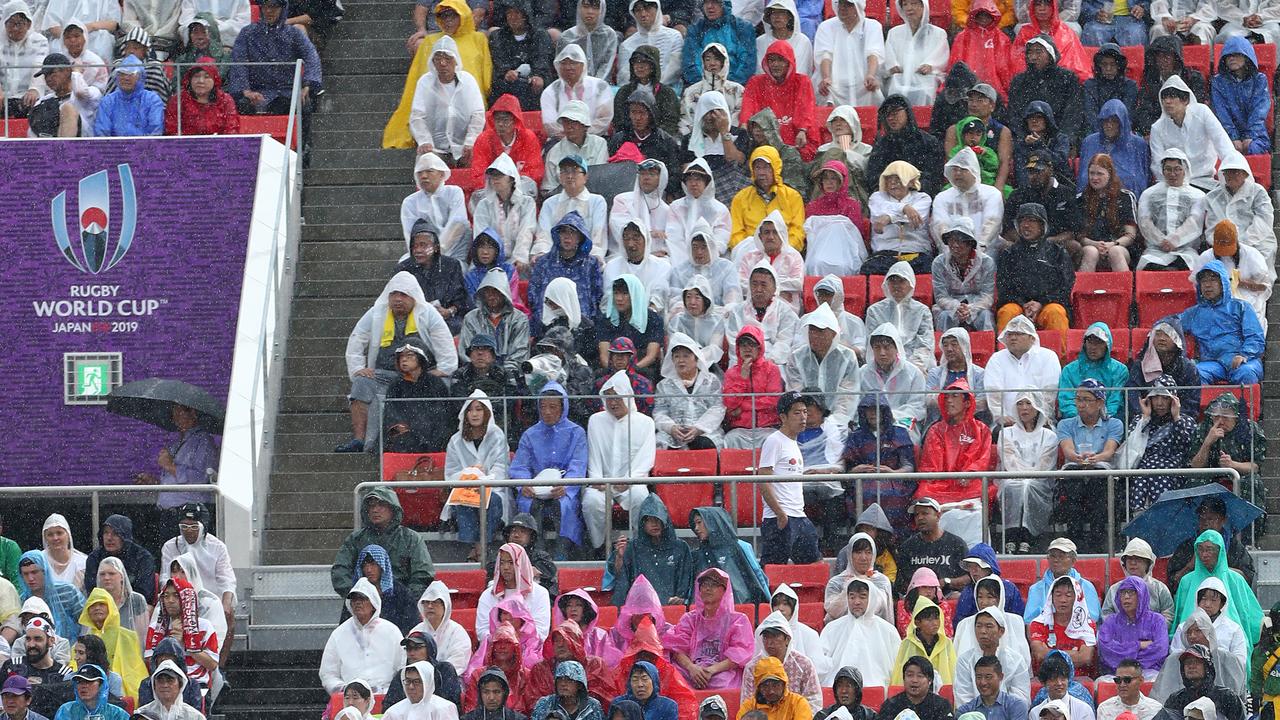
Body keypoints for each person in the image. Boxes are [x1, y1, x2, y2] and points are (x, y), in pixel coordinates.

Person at [336, 272, 456, 452]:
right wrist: (358, 368)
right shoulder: (377, 313)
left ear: (413, 296)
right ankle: (359, 440)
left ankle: (437, 442)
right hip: (386, 374)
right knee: (361, 383)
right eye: (394, 294)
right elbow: (357, 337)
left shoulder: (427, 313)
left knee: (444, 384)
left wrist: (444, 368)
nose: (398, 299)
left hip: (421, 376)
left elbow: (444, 341)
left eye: (403, 295)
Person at [509, 383, 589, 560]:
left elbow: (578, 465)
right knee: (526, 503)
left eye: (552, 407)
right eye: (543, 406)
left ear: (563, 407)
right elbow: (520, 466)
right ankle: (535, 552)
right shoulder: (530, 434)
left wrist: (566, 486)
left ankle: (563, 552)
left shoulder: (576, 433)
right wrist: (524, 485)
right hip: (535, 488)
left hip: (563, 488)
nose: (547, 412)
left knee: (566, 504)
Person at [331, 488, 435, 601]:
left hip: (400, 603)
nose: (375, 510)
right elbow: (340, 570)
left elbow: (422, 574)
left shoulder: (411, 538)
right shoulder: (356, 539)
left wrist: (405, 599)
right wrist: (356, 594)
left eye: (381, 505)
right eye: (371, 506)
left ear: (393, 509)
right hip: (363, 602)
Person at [916, 379, 995, 516]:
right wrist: (940, 478)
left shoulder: (981, 430)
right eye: (946, 397)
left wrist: (968, 474)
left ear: (967, 402)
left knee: (981, 491)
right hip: (940, 483)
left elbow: (982, 459)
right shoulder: (936, 430)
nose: (949, 401)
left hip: (968, 482)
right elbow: (931, 462)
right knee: (924, 492)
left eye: (954, 396)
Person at [1182, 260, 1265, 386]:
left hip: (1242, 360)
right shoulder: (1194, 313)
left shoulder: (1241, 307)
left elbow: (1255, 337)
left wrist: (1244, 354)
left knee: (1246, 372)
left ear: (1223, 283)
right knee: (1195, 372)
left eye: (1213, 280)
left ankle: (1245, 406)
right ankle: (1207, 406)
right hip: (1212, 363)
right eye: (1204, 281)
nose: (1207, 285)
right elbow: (1171, 323)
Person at [993, 393, 1058, 553]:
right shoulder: (1005, 433)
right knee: (1015, 485)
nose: (1024, 408)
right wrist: (1024, 476)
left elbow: (1046, 464)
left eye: (1028, 403)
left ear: (1037, 407)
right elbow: (1009, 461)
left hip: (1040, 481)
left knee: (1029, 486)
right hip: (1012, 478)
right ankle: (1011, 535)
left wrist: (1028, 476)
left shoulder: (1049, 435)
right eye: (1020, 404)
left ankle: (1027, 536)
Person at [994, 204, 1074, 334]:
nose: (1026, 225)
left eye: (1031, 220)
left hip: (1048, 305)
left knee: (1056, 312)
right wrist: (1023, 304)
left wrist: (1041, 303)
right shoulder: (1009, 254)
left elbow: (1065, 287)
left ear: (1043, 225)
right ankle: (1004, 353)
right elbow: (1004, 288)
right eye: (1022, 221)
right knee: (1007, 312)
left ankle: (1060, 355)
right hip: (1018, 306)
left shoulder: (1057, 252)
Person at [840, 398, 917, 531]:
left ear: (884, 412)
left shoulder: (899, 433)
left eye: (876, 410)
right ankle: (866, 534)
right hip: (863, 482)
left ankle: (892, 536)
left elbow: (909, 466)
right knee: (865, 495)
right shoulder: (856, 437)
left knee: (890, 496)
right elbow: (847, 470)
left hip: (893, 483)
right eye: (868, 410)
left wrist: (892, 473)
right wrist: (856, 470)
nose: (872, 414)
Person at [407, 35, 485, 166]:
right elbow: (417, 117)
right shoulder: (425, 83)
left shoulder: (468, 81)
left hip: (464, 148)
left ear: (456, 61)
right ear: (433, 62)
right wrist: (425, 141)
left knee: (477, 160)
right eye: (438, 59)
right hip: (434, 148)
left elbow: (478, 115)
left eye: (448, 59)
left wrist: (470, 142)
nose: (443, 63)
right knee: (425, 161)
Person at [1148, 78, 1234, 191]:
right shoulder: (1157, 128)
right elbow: (1157, 164)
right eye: (1164, 98)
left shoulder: (1202, 113)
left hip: (1205, 182)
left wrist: (1233, 171)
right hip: (1173, 185)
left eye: (1172, 97)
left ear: (1185, 100)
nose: (1167, 102)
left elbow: (1223, 144)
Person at [528, 212, 604, 339]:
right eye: (563, 231)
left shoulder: (591, 264)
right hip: (547, 327)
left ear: (580, 237)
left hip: (582, 329)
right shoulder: (543, 263)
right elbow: (534, 296)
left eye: (572, 232)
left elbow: (596, 297)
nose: (567, 237)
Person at [739, 41, 819, 161]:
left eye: (780, 60)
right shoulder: (756, 82)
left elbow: (806, 109)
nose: (775, 64)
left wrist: (802, 130)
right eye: (771, 60)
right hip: (765, 139)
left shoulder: (802, 81)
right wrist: (745, 124)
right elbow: (748, 106)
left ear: (789, 62)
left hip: (796, 138)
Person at [819, 578, 901, 687]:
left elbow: (897, 665)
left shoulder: (887, 630)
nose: (856, 602)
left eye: (862, 597)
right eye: (852, 597)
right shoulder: (832, 628)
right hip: (837, 688)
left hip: (878, 688)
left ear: (871, 598)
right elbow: (821, 663)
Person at [786, 305, 859, 428]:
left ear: (833, 333)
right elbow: (795, 393)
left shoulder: (847, 357)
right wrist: (807, 418)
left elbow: (847, 398)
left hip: (840, 424)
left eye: (821, 331)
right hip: (804, 422)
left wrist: (832, 423)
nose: (815, 336)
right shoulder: (796, 357)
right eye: (812, 330)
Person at [986, 315, 1063, 430]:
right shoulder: (997, 359)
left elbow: (1049, 394)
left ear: (1032, 338)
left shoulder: (1048, 357)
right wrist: (1000, 416)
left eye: (1019, 334)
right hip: (1007, 423)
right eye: (1010, 334)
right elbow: (993, 392)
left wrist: (1039, 417)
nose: (1013, 338)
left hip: (1040, 421)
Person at [143, 579, 220, 692]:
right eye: (166, 596)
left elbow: (212, 664)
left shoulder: (204, 626)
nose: (170, 601)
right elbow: (150, 662)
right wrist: (170, 645)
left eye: (176, 596)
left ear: (187, 599)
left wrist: (187, 643)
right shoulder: (155, 628)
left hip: (197, 685)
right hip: (164, 685)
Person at [1202, 153, 1277, 267]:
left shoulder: (1257, 192)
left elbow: (1264, 220)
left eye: (1236, 172)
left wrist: (1244, 242)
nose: (1231, 175)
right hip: (1224, 244)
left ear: (1245, 174)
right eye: (1228, 172)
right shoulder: (1213, 197)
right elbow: (1212, 227)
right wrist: (1226, 243)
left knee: (1258, 264)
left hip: (1258, 241)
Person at [857, 324, 927, 445]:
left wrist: (889, 417)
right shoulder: (862, 373)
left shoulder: (913, 373)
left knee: (903, 435)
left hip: (901, 421)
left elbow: (917, 406)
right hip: (869, 422)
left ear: (897, 348)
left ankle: (906, 464)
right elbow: (855, 403)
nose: (882, 353)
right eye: (877, 347)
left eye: (887, 347)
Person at [1136, 148, 1205, 271]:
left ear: (1185, 170)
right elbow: (1144, 222)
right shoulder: (1149, 194)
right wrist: (1161, 241)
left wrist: (1175, 240)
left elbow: (1194, 222)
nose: (1172, 174)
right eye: (1168, 169)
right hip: (1155, 250)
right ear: (1162, 171)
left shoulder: (1197, 195)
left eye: (1177, 169)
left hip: (1186, 250)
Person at [1193, 220, 1274, 324]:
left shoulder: (1252, 255)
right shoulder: (1206, 257)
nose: (1225, 254)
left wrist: (1241, 283)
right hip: (1215, 306)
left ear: (1236, 241)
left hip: (1249, 305)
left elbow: (1264, 287)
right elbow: (1197, 284)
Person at [381, 338, 454, 453]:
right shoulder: (396, 385)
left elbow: (444, 414)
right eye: (401, 357)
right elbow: (392, 413)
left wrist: (430, 430)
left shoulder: (435, 383)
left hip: (434, 435)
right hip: (406, 437)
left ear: (421, 359)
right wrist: (405, 429)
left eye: (409, 356)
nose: (404, 360)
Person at [653, 333, 724, 451]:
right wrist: (671, 428)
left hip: (705, 432)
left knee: (705, 445)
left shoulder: (711, 381)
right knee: (660, 446)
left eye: (686, 356)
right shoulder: (663, 385)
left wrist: (699, 428)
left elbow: (718, 408)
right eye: (677, 356)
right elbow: (660, 412)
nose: (681, 360)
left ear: (696, 359)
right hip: (673, 434)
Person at [866, 96, 946, 197]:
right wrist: (893, 187)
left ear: (907, 113)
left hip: (920, 196)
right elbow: (873, 176)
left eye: (895, 113)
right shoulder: (882, 145)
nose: (890, 118)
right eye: (887, 115)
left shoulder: (928, 142)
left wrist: (910, 186)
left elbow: (935, 178)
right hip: (889, 198)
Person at [865, 263, 936, 374]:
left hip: (917, 367)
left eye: (901, 281)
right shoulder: (874, 310)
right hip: (884, 364)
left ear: (911, 283)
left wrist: (912, 368)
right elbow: (872, 344)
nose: (896, 285)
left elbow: (925, 344)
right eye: (892, 281)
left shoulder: (922, 311)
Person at [75, 590, 146, 700]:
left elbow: (134, 668)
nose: (97, 608)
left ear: (111, 607)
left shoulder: (128, 636)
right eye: (93, 605)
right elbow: (75, 663)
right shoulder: (83, 639)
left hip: (119, 686)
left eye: (101, 604)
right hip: (87, 684)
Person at [812, 0, 884, 107]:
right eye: (840, 3)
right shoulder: (826, 26)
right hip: (835, 82)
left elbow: (873, 53)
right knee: (826, 90)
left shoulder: (872, 26)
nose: (842, 8)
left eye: (848, 5)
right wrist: (826, 77)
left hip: (864, 80)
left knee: (872, 88)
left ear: (858, 6)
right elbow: (825, 55)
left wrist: (870, 75)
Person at [895, 498, 970, 598]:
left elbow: (969, 577)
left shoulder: (956, 544)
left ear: (938, 516)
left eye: (925, 513)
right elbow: (901, 582)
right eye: (917, 514)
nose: (920, 518)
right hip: (917, 600)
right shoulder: (908, 547)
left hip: (948, 597)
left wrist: (947, 582)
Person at [955, 609, 1033, 706]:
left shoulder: (1016, 660)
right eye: (979, 626)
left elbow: (1021, 697)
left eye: (989, 626)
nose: (983, 631)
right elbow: (963, 696)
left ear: (1001, 631)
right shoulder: (964, 660)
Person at [530, 620, 617, 707]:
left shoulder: (595, 665)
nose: (560, 645)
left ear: (577, 643)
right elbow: (534, 703)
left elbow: (606, 699)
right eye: (556, 641)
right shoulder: (540, 669)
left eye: (565, 640)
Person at [1077, 154, 1140, 272]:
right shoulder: (1080, 199)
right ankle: (1083, 290)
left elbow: (1130, 235)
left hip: (1119, 247)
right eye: (1092, 173)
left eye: (1100, 174)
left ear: (1110, 175)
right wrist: (1095, 244)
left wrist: (1112, 244)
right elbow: (1079, 236)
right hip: (1091, 246)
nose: (1094, 178)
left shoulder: (1126, 197)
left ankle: (1124, 289)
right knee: (1091, 252)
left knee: (1115, 252)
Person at [476, 545, 552, 642]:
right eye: (502, 563)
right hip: (497, 650)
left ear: (522, 564)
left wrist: (515, 639)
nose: (506, 567)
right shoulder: (489, 594)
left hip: (530, 652)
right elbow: (482, 631)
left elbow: (541, 632)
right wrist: (503, 639)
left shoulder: (540, 593)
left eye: (511, 563)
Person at [1126, 319, 1200, 418]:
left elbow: (1191, 406)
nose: (1161, 338)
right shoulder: (1140, 366)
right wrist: (1147, 418)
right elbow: (1133, 398)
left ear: (1177, 340)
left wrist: (1171, 419)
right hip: (1145, 420)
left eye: (1167, 335)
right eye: (1158, 334)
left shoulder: (1188, 369)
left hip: (1177, 422)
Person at [931, 221, 996, 334]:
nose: (955, 245)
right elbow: (940, 295)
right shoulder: (939, 262)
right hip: (949, 305)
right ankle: (942, 348)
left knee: (985, 316)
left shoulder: (986, 262)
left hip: (977, 305)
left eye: (960, 241)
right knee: (944, 316)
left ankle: (987, 346)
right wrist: (956, 307)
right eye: (952, 240)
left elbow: (987, 296)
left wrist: (971, 309)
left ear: (970, 243)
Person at [1098, 577, 1170, 677]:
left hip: (1149, 672)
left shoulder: (1157, 620)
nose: (1126, 597)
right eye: (1123, 592)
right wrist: (1138, 645)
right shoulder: (1110, 622)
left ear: (1142, 594)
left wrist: (1127, 659)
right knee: (1100, 684)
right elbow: (1107, 650)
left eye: (1131, 592)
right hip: (1116, 673)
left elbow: (1160, 650)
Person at [1079, 100, 1150, 199]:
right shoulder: (1089, 143)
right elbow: (1082, 180)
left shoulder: (1138, 145)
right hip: (1092, 203)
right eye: (1106, 120)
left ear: (1122, 122)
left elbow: (1142, 180)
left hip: (1128, 204)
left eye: (1114, 121)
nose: (1109, 125)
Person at [539, 46, 613, 140]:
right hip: (560, 140)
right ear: (557, 66)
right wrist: (569, 137)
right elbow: (550, 125)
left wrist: (581, 136)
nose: (568, 67)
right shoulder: (551, 91)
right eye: (563, 63)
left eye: (573, 63)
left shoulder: (600, 86)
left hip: (596, 138)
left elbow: (603, 120)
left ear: (583, 65)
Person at [881, 0, 947, 106]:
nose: (909, 8)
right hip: (899, 80)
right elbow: (888, 58)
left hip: (926, 80)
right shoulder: (894, 33)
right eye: (905, 5)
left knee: (926, 91)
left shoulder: (938, 33)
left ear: (923, 6)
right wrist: (893, 66)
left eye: (914, 4)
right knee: (894, 90)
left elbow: (941, 57)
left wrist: (931, 66)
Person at [1028, 577, 1098, 676]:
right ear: (1051, 597)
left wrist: (1050, 654)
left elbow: (1085, 658)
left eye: (1068, 595)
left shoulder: (1087, 624)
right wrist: (1074, 654)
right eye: (1058, 595)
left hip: (1079, 679)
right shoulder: (1039, 623)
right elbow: (1039, 654)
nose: (1063, 600)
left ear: (1077, 597)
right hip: (1047, 679)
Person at [1058, 324, 1128, 419]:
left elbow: (1116, 401)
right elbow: (1066, 400)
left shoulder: (1120, 370)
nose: (1093, 347)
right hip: (1074, 422)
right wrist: (1081, 419)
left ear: (1107, 345)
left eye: (1099, 342)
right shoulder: (1069, 370)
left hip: (1108, 421)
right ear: (1084, 344)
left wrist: (1103, 418)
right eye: (1090, 342)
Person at [462, 622, 534, 715]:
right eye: (498, 642)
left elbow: (531, 709)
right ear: (492, 646)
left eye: (507, 642)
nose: (502, 647)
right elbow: (471, 710)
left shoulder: (526, 675)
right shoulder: (478, 674)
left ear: (515, 647)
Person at [1024, 541, 1102, 624]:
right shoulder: (1036, 589)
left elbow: (1093, 619)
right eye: (1053, 556)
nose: (1056, 560)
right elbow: (1030, 622)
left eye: (1061, 556)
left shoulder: (1086, 586)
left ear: (1073, 561)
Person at [26, 52, 99, 139]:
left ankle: (63, 150)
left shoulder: (91, 92)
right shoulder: (43, 101)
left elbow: (80, 91)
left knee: (67, 109)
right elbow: (31, 132)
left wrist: (76, 71)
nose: (48, 79)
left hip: (82, 147)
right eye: (46, 75)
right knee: (40, 108)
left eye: (52, 73)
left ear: (67, 71)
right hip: (49, 147)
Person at [1161, 646, 1246, 720]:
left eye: (1196, 662)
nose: (1191, 666)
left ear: (1207, 666)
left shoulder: (1226, 697)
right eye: (1187, 663)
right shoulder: (1176, 699)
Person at [948, 3, 1014, 98]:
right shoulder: (963, 37)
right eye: (980, 15)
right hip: (967, 84)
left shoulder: (1001, 38)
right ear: (974, 16)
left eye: (987, 15)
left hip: (993, 85)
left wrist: (1007, 87)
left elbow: (1004, 68)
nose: (983, 18)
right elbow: (956, 62)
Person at [465, 227, 530, 321]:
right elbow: (474, 303)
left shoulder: (509, 270)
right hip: (481, 319)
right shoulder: (471, 276)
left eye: (490, 247)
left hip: (509, 315)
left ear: (497, 250)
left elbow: (512, 298)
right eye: (481, 247)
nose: (485, 252)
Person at [893, 596, 960, 688]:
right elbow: (899, 672)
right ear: (917, 623)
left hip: (942, 691)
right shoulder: (908, 643)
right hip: (914, 691)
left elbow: (953, 669)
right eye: (929, 619)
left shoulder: (946, 643)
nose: (935, 623)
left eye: (937, 618)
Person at [1102, 540, 1174, 623]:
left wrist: (1151, 628)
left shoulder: (1159, 588)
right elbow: (1106, 615)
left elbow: (1169, 615)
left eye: (1138, 559)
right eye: (1129, 559)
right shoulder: (1114, 589)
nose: (1133, 563)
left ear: (1148, 563)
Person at [163, 57, 238, 136]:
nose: (200, 81)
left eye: (207, 77)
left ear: (215, 80)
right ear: (190, 79)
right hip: (185, 146)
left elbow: (231, 130)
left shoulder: (225, 100)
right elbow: (171, 131)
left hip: (218, 146)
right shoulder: (178, 100)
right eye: (196, 76)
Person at [616, 0, 682, 87]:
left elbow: (674, 70)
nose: (643, 14)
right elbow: (624, 77)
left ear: (657, 10)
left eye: (648, 8)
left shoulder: (674, 37)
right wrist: (642, 89)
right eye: (638, 10)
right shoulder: (627, 44)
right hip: (636, 94)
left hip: (669, 90)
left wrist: (655, 87)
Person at [92, 56, 162, 137]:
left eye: (131, 74)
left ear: (141, 77)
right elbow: (102, 133)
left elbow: (155, 132)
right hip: (114, 148)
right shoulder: (108, 101)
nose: (126, 78)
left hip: (146, 148)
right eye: (122, 74)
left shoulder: (152, 100)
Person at [415, 581, 474, 675]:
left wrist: (434, 675)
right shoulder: (416, 631)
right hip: (418, 680)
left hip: (448, 679)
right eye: (426, 602)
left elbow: (458, 663)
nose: (430, 606)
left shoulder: (457, 632)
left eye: (435, 602)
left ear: (445, 605)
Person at [1010, 103, 1073, 190]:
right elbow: (1021, 174)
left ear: (1047, 119)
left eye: (1039, 117)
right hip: (1030, 190)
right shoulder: (1022, 144)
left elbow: (1060, 163)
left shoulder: (1060, 139)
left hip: (1058, 188)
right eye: (1030, 117)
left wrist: (1039, 145)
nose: (1034, 120)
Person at [555, 0, 616, 80]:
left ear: (602, 10)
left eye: (595, 8)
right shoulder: (566, 37)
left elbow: (606, 66)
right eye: (586, 6)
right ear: (579, 8)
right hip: (572, 87)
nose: (590, 12)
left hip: (601, 87)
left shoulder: (609, 35)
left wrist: (593, 86)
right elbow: (561, 68)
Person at [879, 657, 955, 720]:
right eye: (910, 675)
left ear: (930, 680)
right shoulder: (891, 705)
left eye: (920, 676)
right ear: (903, 678)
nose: (914, 680)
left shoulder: (942, 705)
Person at [738, 656, 814, 720]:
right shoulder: (749, 706)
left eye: (775, 685)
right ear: (759, 688)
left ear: (783, 684)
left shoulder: (798, 703)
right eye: (765, 686)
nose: (771, 691)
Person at [1084, 45, 1137, 131]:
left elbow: (1127, 115)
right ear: (1099, 66)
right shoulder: (1089, 85)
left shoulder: (1129, 85)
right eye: (1104, 64)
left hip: (1122, 130)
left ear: (1119, 66)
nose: (1108, 69)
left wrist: (1114, 133)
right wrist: (1102, 133)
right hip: (1095, 132)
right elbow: (1090, 115)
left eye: (1112, 64)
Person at [384, 661, 460, 720]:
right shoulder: (394, 712)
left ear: (427, 682)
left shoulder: (444, 708)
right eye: (408, 681)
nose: (411, 687)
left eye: (416, 682)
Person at [529, 661, 602, 720]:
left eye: (569, 680)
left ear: (579, 684)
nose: (563, 684)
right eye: (560, 679)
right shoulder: (545, 703)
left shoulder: (592, 705)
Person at [51, 664, 127, 720]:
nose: (83, 686)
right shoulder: (66, 710)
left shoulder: (116, 714)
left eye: (89, 681)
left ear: (101, 685)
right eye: (79, 681)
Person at [134, 659, 201, 720]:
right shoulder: (142, 714)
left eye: (170, 680)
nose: (165, 685)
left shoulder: (194, 717)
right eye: (160, 681)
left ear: (180, 685)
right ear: (154, 686)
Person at [1097, 662, 1164, 720]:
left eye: (1127, 680)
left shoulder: (1156, 709)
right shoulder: (1105, 708)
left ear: (1140, 680)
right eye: (1118, 680)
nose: (1122, 684)